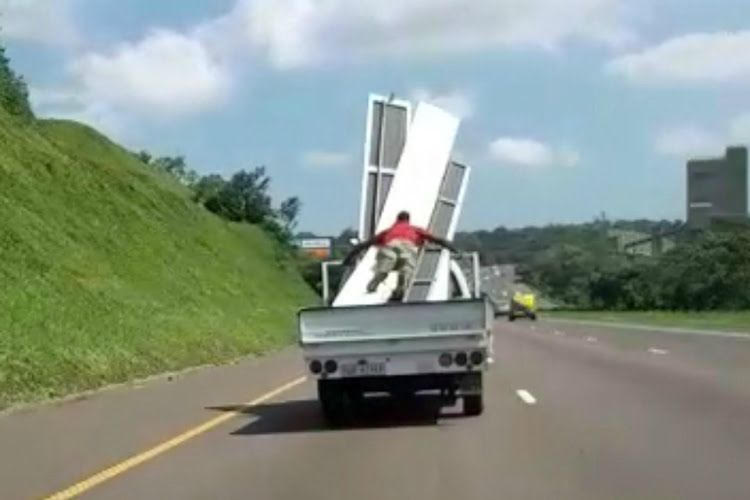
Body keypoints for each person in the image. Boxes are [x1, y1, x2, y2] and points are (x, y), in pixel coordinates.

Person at [343, 211, 458, 300]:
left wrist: (348, 258)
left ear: (397, 219)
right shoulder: (415, 229)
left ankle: (374, 283)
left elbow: (365, 244)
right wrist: (453, 249)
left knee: (384, 268)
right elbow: (437, 239)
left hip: (390, 246)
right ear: (408, 220)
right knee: (406, 269)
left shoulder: (388, 231)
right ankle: (400, 289)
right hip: (407, 247)